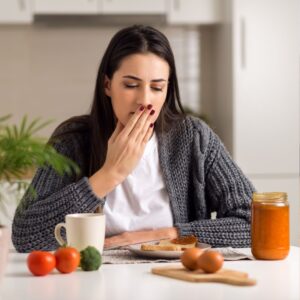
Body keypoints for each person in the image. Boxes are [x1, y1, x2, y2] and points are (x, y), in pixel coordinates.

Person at [12, 25, 255, 253]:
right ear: (107, 85)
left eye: (157, 88)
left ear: (167, 90)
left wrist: (167, 235)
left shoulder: (194, 139)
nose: (144, 100)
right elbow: (25, 235)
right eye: (131, 85)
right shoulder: (72, 140)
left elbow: (254, 223)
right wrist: (109, 175)